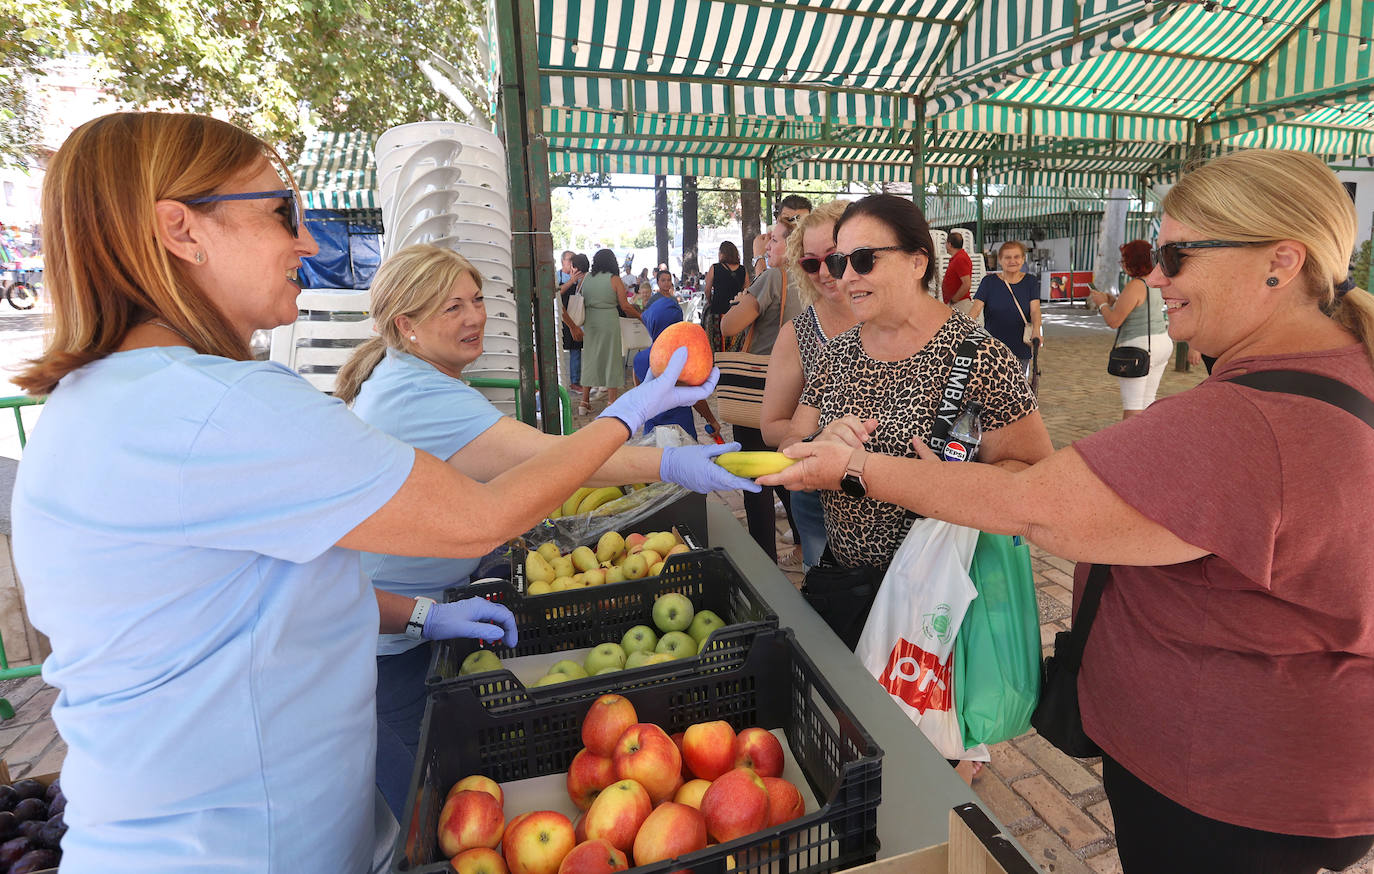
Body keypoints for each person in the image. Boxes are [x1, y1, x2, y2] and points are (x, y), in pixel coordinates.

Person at [8, 111, 719, 874]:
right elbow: (482, 515)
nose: (307, 243)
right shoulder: (219, 409)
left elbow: (252, 593)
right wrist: (627, 420)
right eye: (283, 211)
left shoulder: (95, 405)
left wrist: (420, 612)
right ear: (182, 230)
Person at [759, 150, 1374, 874]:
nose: (1155, 280)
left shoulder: (1249, 421)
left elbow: (1034, 505)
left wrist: (858, 467)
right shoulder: (1329, 380)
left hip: (1223, 784)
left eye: (1174, 255)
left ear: (1280, 262)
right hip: (1266, 768)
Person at [333, 246, 753, 817]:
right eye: (451, 307)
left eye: (477, 300)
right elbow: (555, 463)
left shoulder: (408, 375)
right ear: (406, 325)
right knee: (421, 809)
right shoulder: (418, 395)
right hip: (386, 645)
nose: (474, 316)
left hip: (402, 620)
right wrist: (660, 455)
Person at [773, 194, 1053, 643]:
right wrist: (821, 439)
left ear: (917, 262)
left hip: (936, 606)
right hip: (846, 588)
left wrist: (948, 485)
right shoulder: (838, 353)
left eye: (863, 260)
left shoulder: (979, 356)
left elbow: (1034, 480)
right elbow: (790, 444)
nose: (845, 277)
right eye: (841, 262)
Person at [759, 200, 856, 571]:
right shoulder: (798, 334)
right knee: (831, 607)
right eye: (811, 263)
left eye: (834, 257)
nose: (824, 273)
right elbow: (772, 427)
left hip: (897, 499)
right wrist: (825, 437)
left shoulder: (896, 323)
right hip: (821, 501)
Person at [722, 217, 805, 564]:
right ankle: (802, 544)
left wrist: (755, 274)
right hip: (799, 389)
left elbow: (729, 326)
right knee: (786, 470)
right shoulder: (811, 282)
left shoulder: (774, 277)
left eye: (773, 240)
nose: (768, 245)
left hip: (759, 389)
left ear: (790, 245)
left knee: (756, 481)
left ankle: (764, 561)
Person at [632, 268, 725, 440]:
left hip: (653, 433)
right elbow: (695, 398)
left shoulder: (640, 359)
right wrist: (712, 420)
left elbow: (640, 396)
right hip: (683, 431)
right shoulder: (683, 359)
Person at [1089, 240, 1174, 418]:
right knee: (1148, 400)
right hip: (1161, 342)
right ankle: (1145, 440)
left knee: (1133, 405)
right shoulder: (1157, 281)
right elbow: (1139, 306)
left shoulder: (1136, 285)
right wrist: (1114, 301)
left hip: (1138, 346)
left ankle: (1129, 443)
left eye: (1124, 259)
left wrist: (1102, 303)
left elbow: (1114, 321)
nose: (1123, 263)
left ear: (1133, 261)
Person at [578, 248, 641, 415]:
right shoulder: (615, 280)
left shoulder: (587, 278)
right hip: (608, 321)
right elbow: (625, 306)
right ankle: (611, 401)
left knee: (591, 358)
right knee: (612, 358)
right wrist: (641, 316)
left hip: (590, 322)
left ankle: (584, 402)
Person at [969, 240, 1042, 380]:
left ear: (1023, 259)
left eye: (1017, 257)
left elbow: (1035, 310)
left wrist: (1036, 330)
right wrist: (964, 330)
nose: (1012, 261)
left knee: (1018, 388)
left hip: (1020, 345)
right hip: (992, 348)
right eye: (1007, 257)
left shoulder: (1030, 282)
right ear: (1000, 260)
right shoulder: (989, 282)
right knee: (991, 389)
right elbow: (976, 309)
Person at [700, 241, 747, 352]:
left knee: (715, 347)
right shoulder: (742, 270)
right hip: (736, 313)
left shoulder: (715, 268)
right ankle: (731, 367)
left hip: (717, 312)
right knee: (734, 347)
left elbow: (707, 289)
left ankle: (718, 367)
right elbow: (746, 291)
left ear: (722, 253)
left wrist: (710, 301)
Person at [559, 252, 589, 393]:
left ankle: (575, 381)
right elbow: (556, 294)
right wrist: (571, 281)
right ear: (563, 262)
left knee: (576, 349)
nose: (572, 263)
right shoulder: (557, 276)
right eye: (570, 260)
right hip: (561, 317)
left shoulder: (581, 278)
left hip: (576, 316)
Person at [942, 231, 974, 315]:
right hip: (958, 302)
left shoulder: (960, 259)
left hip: (960, 304)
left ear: (949, 244)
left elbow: (966, 284)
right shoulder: (958, 258)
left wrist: (954, 300)